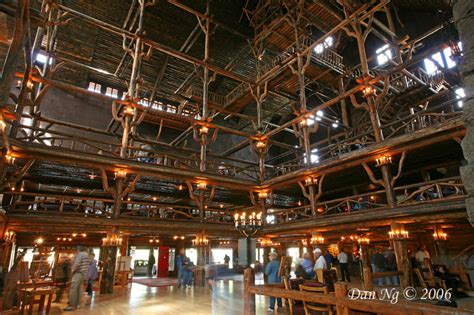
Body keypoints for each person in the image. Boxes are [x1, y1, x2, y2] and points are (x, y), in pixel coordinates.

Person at [64, 246, 91, 311]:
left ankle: (71, 305)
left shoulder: (80, 254)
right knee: (79, 290)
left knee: (73, 289)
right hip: (83, 274)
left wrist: (72, 270)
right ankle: (77, 304)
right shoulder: (87, 255)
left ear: (78, 249)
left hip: (78, 273)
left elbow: (77, 264)